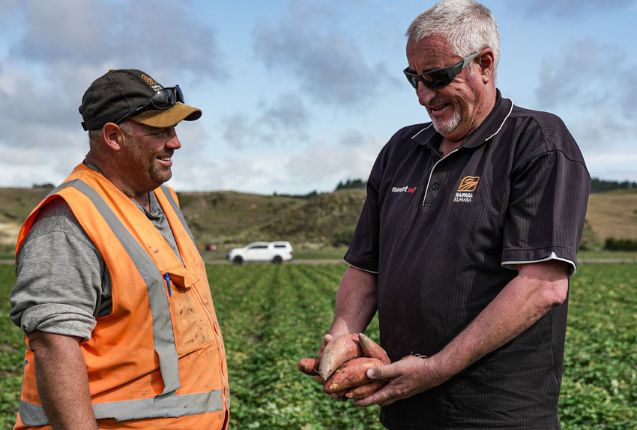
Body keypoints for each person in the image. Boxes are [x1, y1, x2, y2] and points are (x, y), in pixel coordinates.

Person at [324, 1, 590, 428]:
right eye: (413, 78)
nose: (423, 96)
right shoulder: (401, 149)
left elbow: (542, 287)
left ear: (484, 63)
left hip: (495, 416)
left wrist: (435, 369)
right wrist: (342, 336)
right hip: (406, 409)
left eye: (436, 77)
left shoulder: (537, 143)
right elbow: (364, 269)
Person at [10, 69, 229, 429]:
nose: (175, 143)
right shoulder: (69, 220)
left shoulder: (163, 200)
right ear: (113, 136)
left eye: (174, 130)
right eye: (159, 131)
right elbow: (53, 346)